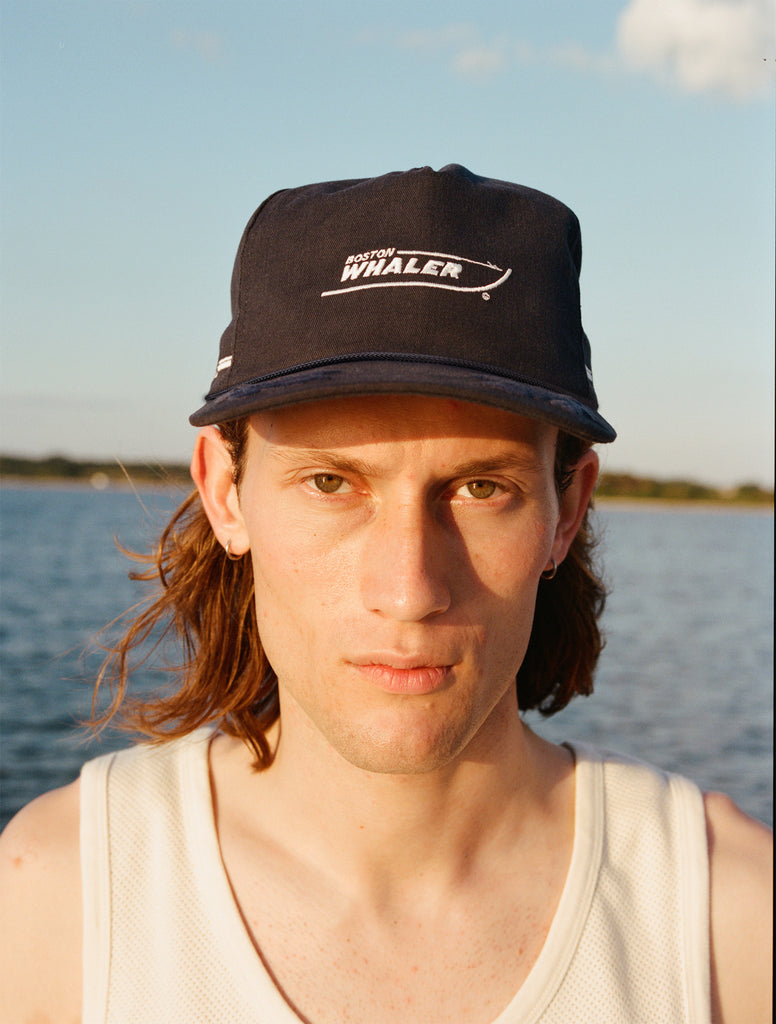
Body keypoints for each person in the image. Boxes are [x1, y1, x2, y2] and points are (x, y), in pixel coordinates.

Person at [0, 164, 771, 1023]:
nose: (409, 590)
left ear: (567, 511)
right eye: (331, 483)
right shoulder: (58, 901)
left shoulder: (730, 924)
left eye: (481, 488)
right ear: (226, 493)